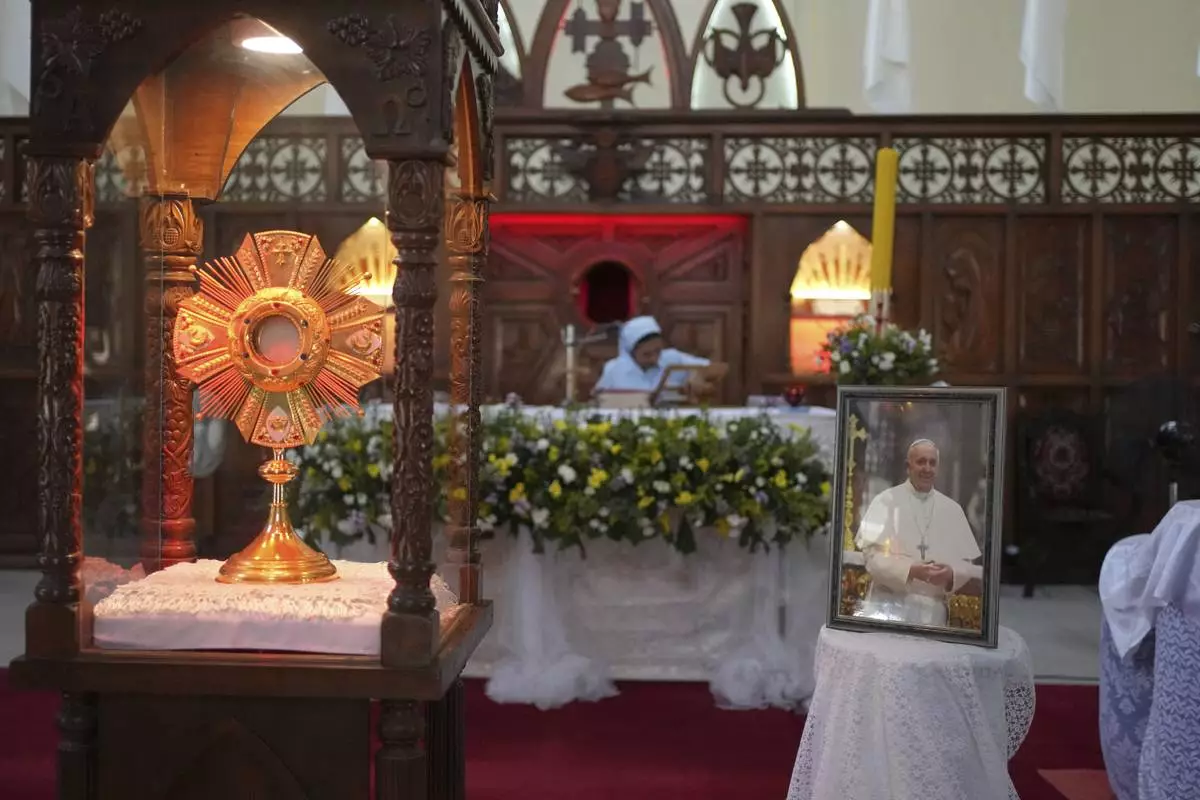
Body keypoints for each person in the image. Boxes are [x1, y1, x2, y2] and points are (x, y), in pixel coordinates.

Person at [854, 439, 983, 627]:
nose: (927, 468)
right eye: (921, 461)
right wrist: (910, 570)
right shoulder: (885, 501)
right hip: (888, 607)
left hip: (932, 615)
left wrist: (951, 574)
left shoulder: (952, 509)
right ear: (908, 466)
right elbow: (872, 558)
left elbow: (966, 563)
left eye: (932, 463)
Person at [592, 315, 709, 394]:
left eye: (658, 351)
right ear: (631, 353)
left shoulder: (673, 358)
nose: (654, 359)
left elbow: (717, 368)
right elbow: (597, 398)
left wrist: (697, 374)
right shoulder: (614, 369)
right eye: (646, 354)